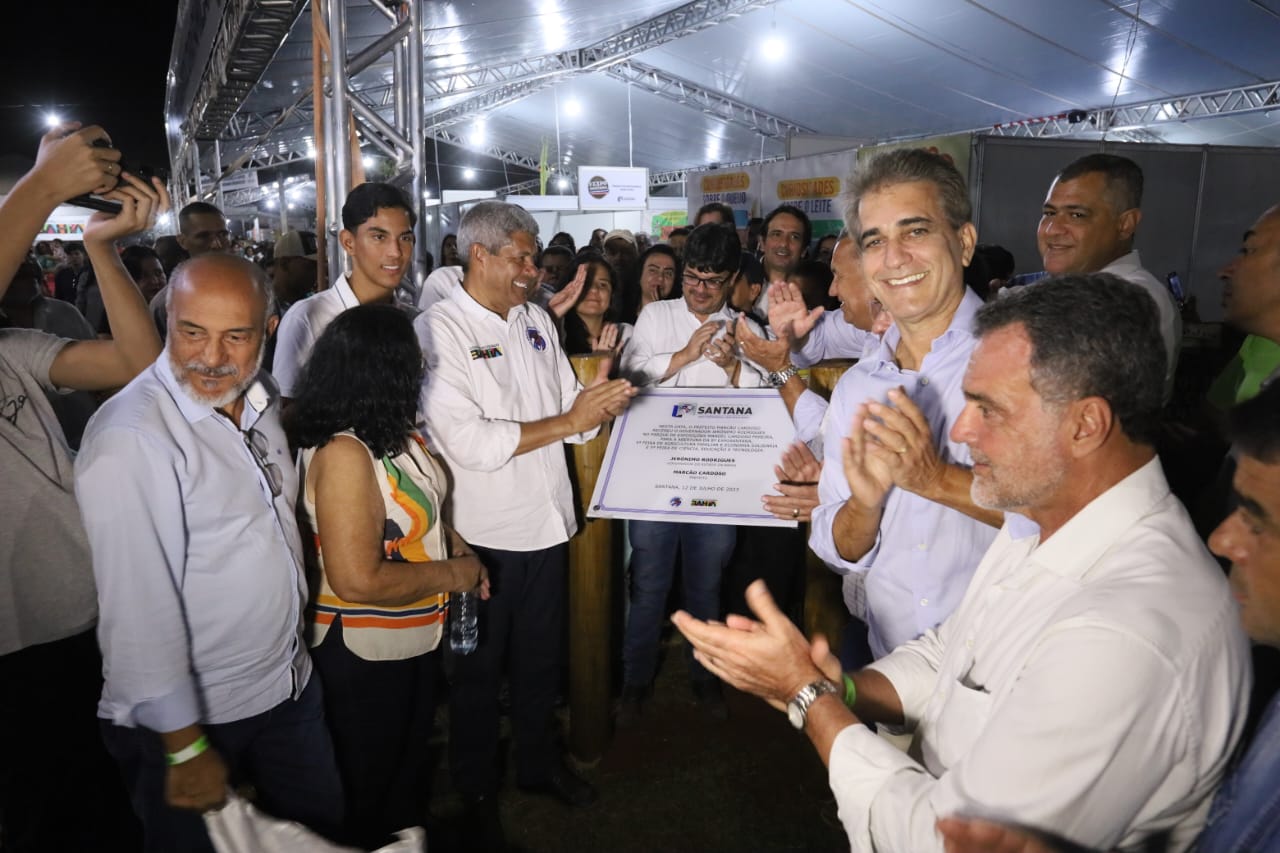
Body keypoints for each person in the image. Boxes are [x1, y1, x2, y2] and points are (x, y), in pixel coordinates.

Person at [676, 273, 1251, 853]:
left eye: (988, 409)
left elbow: (945, 840)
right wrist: (843, 688)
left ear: (1086, 425)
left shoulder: (1127, 634)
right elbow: (953, 657)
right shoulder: (1047, 520)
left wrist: (808, 697)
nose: (960, 429)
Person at [76, 252, 344, 851]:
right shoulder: (132, 438)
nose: (211, 357)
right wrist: (183, 744)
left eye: (236, 336)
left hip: (287, 683)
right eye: (192, 332)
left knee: (322, 831)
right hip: (191, 719)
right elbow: (135, 609)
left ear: (268, 330)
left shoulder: (260, 396)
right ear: (168, 319)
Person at [416, 201, 636, 837]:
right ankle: (475, 786)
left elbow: (566, 408)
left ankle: (539, 764)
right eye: (520, 256)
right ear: (478, 254)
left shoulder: (537, 318)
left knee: (541, 662)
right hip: (483, 540)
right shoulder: (439, 328)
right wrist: (570, 419)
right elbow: (469, 442)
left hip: (548, 524)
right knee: (478, 674)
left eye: (533, 257)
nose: (532, 269)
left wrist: (595, 402)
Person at [0, 122, 162, 853]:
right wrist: (41, 187)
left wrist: (101, 247)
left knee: (107, 805)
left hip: (89, 618)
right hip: (15, 650)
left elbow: (138, 362)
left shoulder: (13, 350)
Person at [285, 304, 489, 848]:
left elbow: (422, 510)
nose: (423, 370)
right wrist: (455, 574)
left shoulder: (394, 433)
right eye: (413, 362)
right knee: (367, 787)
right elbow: (357, 580)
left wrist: (458, 549)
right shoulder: (344, 453)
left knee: (403, 773)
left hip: (411, 638)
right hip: (362, 653)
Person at [808, 149, 1002, 664]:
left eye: (915, 231)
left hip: (1003, 669)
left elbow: (1074, 515)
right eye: (875, 241)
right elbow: (837, 547)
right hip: (889, 663)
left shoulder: (1025, 358)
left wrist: (935, 479)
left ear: (964, 242)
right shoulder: (856, 387)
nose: (893, 258)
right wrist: (864, 505)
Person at [618, 223, 766, 722]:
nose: (700, 290)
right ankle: (635, 680)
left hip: (717, 479)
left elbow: (769, 404)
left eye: (713, 281)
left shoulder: (747, 329)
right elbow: (629, 377)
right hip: (655, 474)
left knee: (707, 582)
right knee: (649, 582)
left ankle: (705, 677)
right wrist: (683, 357)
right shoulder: (656, 316)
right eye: (693, 278)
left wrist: (735, 371)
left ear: (733, 279)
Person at [1037, 153, 1180, 399]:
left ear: (1126, 224)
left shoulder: (1133, 300)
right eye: (1049, 213)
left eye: (1077, 215)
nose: (1052, 230)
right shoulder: (1077, 288)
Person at [273, 182, 417, 401]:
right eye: (379, 237)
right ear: (348, 243)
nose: (395, 252)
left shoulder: (417, 320)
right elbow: (286, 408)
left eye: (405, 238)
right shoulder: (307, 318)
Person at [149, 201, 232, 336]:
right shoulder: (166, 304)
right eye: (203, 236)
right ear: (182, 241)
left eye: (223, 235)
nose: (216, 244)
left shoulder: (255, 288)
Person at [562, 255, 629, 356]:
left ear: (612, 294)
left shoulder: (626, 335)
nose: (594, 289)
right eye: (585, 284)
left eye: (602, 285)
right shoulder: (556, 335)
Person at [635, 242, 681, 317]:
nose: (660, 278)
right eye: (653, 270)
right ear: (640, 274)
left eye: (668, 273)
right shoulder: (622, 314)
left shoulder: (679, 317)